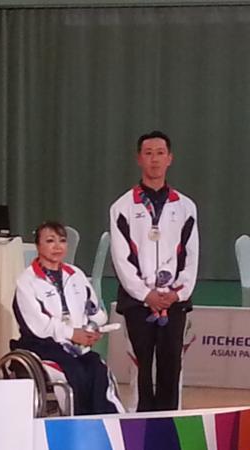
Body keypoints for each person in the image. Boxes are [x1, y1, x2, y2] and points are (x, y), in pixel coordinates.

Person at [109, 130, 198, 412]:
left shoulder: (185, 207)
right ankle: (139, 429)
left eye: (160, 153)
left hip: (174, 302)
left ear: (170, 158)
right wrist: (146, 294)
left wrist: (176, 293)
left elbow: (191, 255)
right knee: (141, 368)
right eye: (148, 153)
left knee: (172, 367)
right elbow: (121, 259)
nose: (155, 159)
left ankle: (171, 427)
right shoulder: (122, 207)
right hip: (138, 303)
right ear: (139, 159)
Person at [12, 221, 121, 415]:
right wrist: (72, 334)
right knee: (75, 371)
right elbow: (39, 325)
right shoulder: (26, 281)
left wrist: (92, 328)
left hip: (75, 345)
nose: (57, 246)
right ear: (38, 246)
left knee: (97, 367)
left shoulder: (76, 274)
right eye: (50, 241)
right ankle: (78, 420)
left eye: (62, 241)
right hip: (43, 344)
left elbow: (95, 312)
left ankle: (105, 421)